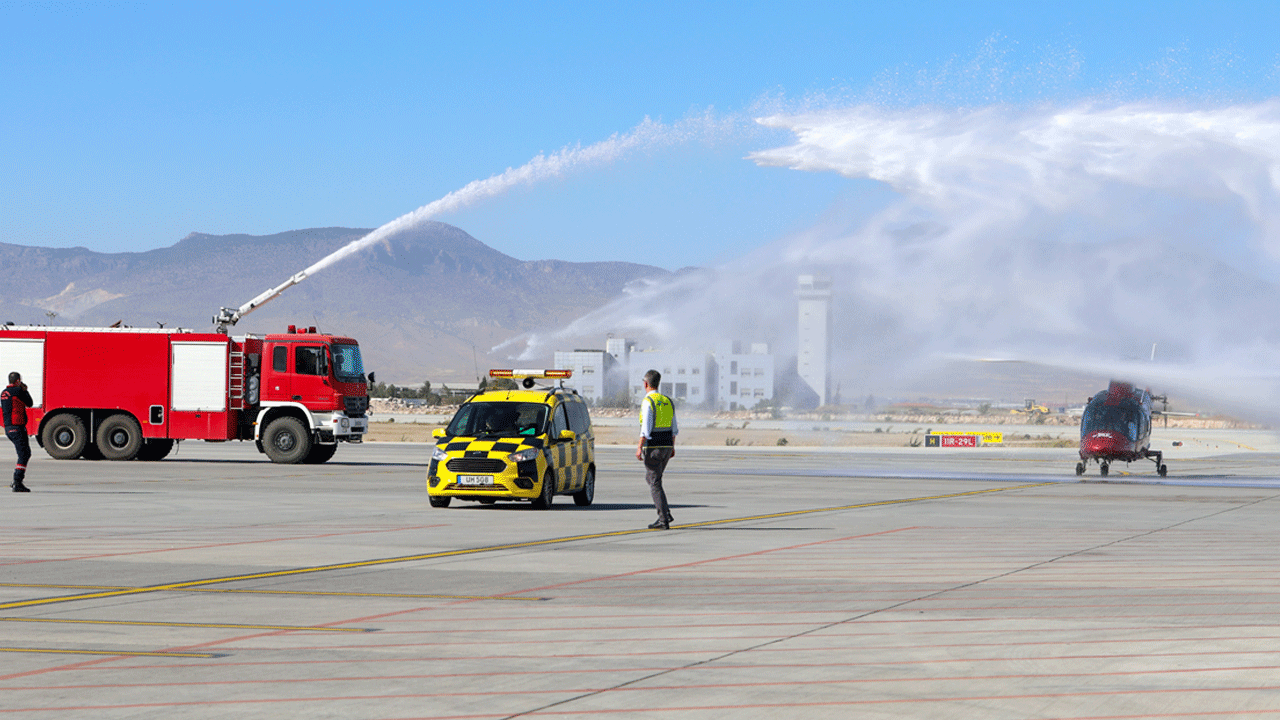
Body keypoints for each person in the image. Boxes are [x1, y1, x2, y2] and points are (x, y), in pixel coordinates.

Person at [637, 369, 677, 529]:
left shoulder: (648, 401)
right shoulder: (667, 401)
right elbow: (674, 428)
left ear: (646, 384)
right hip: (667, 446)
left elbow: (645, 429)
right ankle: (665, 512)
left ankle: (663, 519)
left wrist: (639, 447)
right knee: (653, 479)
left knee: (654, 482)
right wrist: (672, 447)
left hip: (654, 447)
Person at [2, 372, 33, 492]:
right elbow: (29, 403)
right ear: (18, 381)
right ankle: (17, 481)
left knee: (24, 453)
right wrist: (25, 390)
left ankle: (17, 480)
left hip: (8, 427)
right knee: (24, 454)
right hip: (17, 426)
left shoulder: (4, 392)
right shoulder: (18, 391)